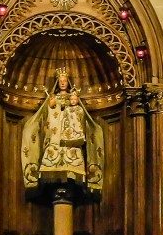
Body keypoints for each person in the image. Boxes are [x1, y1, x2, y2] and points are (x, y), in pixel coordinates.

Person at [21, 68, 104, 203]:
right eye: (61, 81)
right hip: (55, 139)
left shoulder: (74, 99)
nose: (63, 83)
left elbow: (80, 117)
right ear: (58, 83)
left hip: (71, 140)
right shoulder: (53, 97)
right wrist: (52, 105)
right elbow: (47, 115)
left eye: (65, 81)